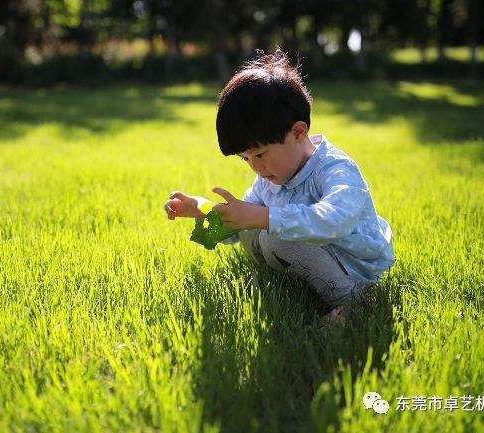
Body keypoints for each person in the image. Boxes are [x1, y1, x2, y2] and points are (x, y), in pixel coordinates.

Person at [163, 50, 394, 322]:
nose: (255, 167)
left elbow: (335, 221)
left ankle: (351, 301)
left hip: (354, 262)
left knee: (273, 233)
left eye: (260, 154)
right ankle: (288, 278)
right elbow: (242, 218)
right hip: (314, 254)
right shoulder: (270, 176)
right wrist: (201, 209)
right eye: (245, 158)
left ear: (298, 132)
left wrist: (263, 217)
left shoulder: (335, 169)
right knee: (254, 226)